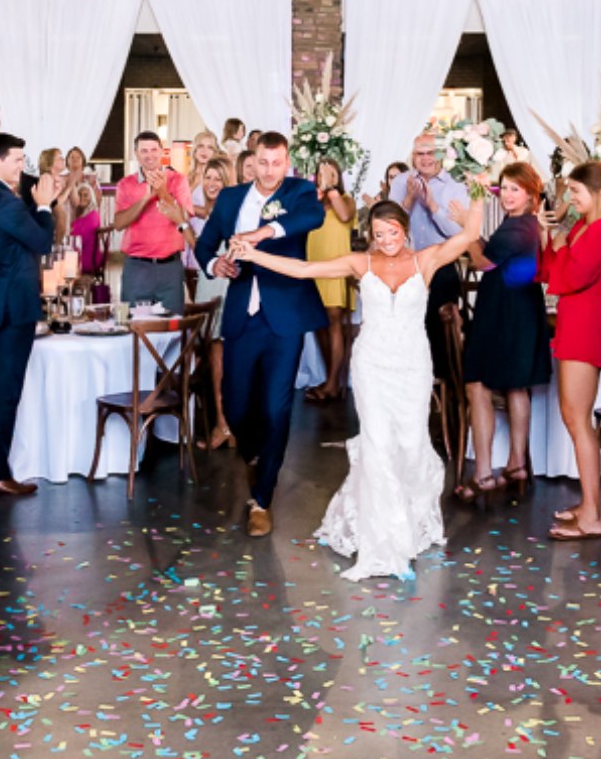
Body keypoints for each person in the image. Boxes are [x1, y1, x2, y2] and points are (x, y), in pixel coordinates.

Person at [231, 193, 482, 577]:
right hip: (372, 366)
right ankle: (382, 542)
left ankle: (409, 521)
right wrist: (253, 254)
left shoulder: (426, 259)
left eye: (392, 232)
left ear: (404, 229)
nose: (386, 240)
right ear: (370, 235)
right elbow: (304, 269)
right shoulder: (360, 262)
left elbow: (470, 235)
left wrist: (479, 191)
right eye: (379, 234)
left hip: (413, 366)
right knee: (377, 445)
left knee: (410, 443)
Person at [194, 132, 326, 538]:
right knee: (235, 406)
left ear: (287, 162)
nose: (270, 171)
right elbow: (204, 245)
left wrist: (260, 233)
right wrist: (215, 265)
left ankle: (263, 500)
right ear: (252, 161)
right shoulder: (232, 198)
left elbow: (311, 219)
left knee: (276, 408)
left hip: (284, 317)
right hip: (242, 315)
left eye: (277, 163)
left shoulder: (300, 192)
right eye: (263, 163)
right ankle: (255, 456)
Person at [0, 134, 57, 497]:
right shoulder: (5, 201)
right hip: (14, 304)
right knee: (5, 391)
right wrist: (44, 206)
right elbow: (42, 242)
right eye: (17, 159)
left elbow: (13, 239)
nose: (22, 165)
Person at [539, 162, 601, 541]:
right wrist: (549, 235)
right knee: (574, 417)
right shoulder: (583, 226)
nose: (571, 199)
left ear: (598, 192)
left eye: (576, 192)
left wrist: (559, 246)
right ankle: (590, 503)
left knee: (577, 418)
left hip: (589, 324)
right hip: (576, 320)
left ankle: (593, 515)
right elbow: (552, 270)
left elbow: (573, 276)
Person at [454, 163, 551, 499]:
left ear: (530, 194)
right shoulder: (525, 224)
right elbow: (493, 253)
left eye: (515, 189)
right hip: (519, 310)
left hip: (503, 313)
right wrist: (471, 230)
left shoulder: (518, 226)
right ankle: (516, 464)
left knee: (477, 384)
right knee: (515, 386)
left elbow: (483, 262)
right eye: (504, 188)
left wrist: (468, 231)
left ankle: (483, 474)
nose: (507, 195)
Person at [389, 133, 469, 378]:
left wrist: (433, 206)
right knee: (403, 327)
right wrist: (409, 200)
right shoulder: (400, 182)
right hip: (407, 264)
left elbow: (458, 233)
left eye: (430, 153)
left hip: (442, 266)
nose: (424, 159)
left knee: (436, 325)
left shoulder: (455, 186)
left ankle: (442, 380)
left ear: (441, 155)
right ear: (412, 156)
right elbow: (390, 226)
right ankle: (408, 379)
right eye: (419, 154)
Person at [176, 156, 234, 450]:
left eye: (217, 178)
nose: (211, 183)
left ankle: (224, 424)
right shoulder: (216, 210)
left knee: (219, 360)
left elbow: (203, 250)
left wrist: (181, 224)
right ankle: (225, 424)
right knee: (214, 359)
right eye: (208, 178)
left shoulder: (225, 212)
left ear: (227, 181)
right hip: (210, 284)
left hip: (220, 287)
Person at [113, 131, 193, 314]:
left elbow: (184, 218)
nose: (149, 155)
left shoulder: (178, 180)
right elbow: (118, 224)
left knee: (173, 324)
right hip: (136, 268)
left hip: (170, 268)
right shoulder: (125, 184)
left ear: (162, 152)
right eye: (144, 151)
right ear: (136, 154)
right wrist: (145, 198)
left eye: (153, 150)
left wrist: (162, 191)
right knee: (135, 325)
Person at [306, 159, 357, 403]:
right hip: (312, 268)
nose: (325, 176)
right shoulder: (312, 201)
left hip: (336, 268)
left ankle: (333, 384)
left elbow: (344, 216)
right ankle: (330, 378)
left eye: (331, 173)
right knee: (319, 324)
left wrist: (331, 189)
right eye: (321, 173)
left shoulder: (346, 200)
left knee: (334, 322)